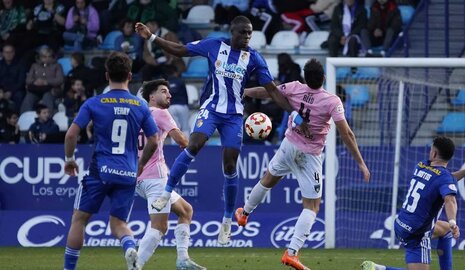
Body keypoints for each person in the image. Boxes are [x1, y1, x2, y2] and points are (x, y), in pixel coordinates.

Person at [135, 15, 308, 245]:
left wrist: (294, 113)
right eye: (243, 32)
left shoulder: (254, 58)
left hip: (234, 116)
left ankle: (227, 222)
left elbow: (273, 90)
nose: (247, 36)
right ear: (232, 32)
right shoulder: (214, 45)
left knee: (229, 165)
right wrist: (153, 37)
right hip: (211, 109)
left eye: (250, 33)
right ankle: (165, 193)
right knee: (194, 144)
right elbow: (180, 50)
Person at [234, 58, 370, 270]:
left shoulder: (295, 88)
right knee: (312, 206)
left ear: (305, 78)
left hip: (288, 144)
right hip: (310, 155)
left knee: (267, 179)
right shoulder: (332, 101)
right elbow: (347, 133)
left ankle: (244, 214)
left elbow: (269, 91)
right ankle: (292, 253)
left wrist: (246, 91)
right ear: (324, 77)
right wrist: (361, 163)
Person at [62, 52, 159, 270]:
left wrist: (69, 159)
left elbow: (70, 135)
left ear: (107, 76)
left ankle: (68, 269)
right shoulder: (140, 105)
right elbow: (154, 139)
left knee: (79, 220)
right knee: (119, 223)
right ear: (130, 76)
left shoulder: (94, 103)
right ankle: (129, 247)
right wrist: (141, 164)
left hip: (99, 171)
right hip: (127, 173)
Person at [361, 136, 465, 270]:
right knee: (448, 227)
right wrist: (453, 221)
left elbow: (445, 180)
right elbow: (450, 199)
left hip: (401, 222)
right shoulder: (444, 178)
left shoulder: (422, 165)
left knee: (446, 231)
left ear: (434, 154)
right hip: (417, 232)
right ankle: (378, 269)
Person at [135, 79, 205, 270]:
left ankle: (183, 259)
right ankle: (136, 265)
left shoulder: (137, 114)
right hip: (155, 177)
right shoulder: (160, 113)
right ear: (152, 97)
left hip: (138, 177)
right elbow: (182, 140)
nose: (169, 95)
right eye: (164, 91)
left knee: (185, 210)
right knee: (159, 226)